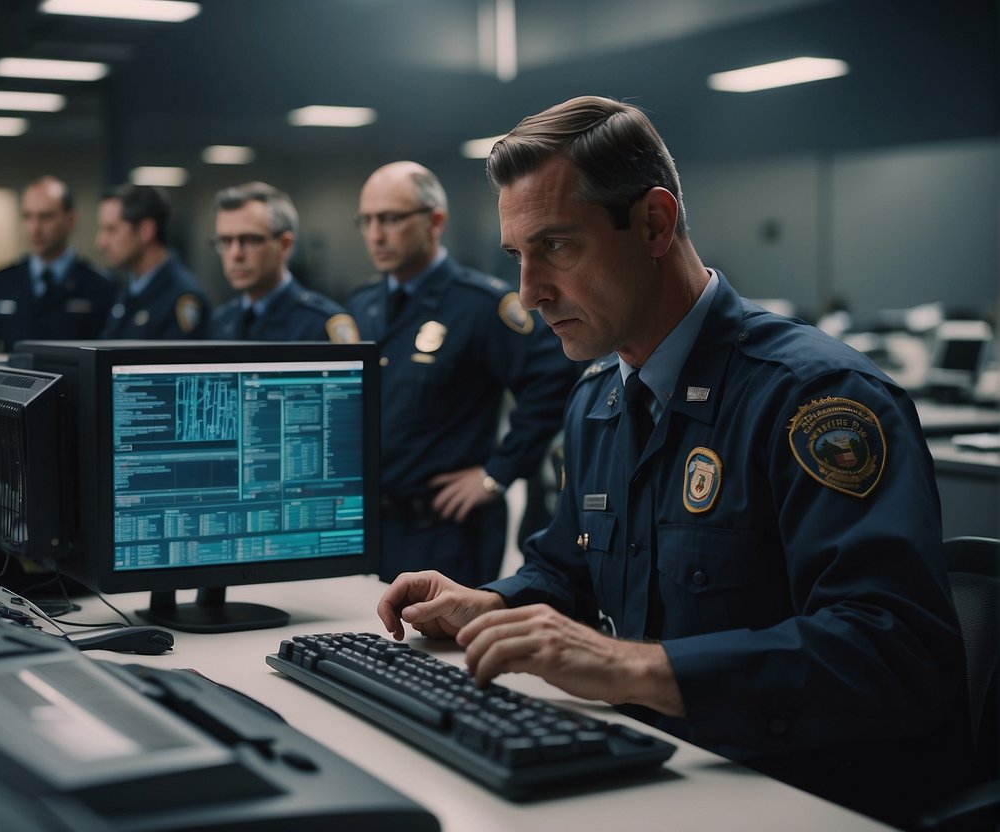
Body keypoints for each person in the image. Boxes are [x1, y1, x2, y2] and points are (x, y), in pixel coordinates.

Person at [376, 96, 971, 828]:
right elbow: (567, 571)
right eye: (517, 258)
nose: (528, 293)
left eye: (555, 246)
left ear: (654, 224)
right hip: (654, 776)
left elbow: (896, 654)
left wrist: (635, 666)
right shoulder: (597, 399)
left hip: (794, 799)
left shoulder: (815, 401)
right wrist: (493, 603)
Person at [347, 161, 577, 587]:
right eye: (367, 220)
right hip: (374, 524)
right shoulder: (363, 304)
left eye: (391, 218)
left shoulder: (479, 304)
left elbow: (554, 380)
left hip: (444, 531)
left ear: (435, 221)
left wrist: (498, 472)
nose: (376, 234)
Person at [0, 176, 114, 353]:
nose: (35, 229)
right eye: (27, 217)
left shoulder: (100, 286)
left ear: (70, 220)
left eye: (46, 217)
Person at [209, 182, 358, 343]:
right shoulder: (219, 322)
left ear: (284, 245)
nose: (235, 254)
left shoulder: (320, 324)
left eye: (251, 240)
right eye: (225, 241)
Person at [96, 183, 211, 339]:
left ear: (145, 230)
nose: (101, 243)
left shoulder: (181, 297)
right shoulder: (129, 290)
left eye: (111, 229)